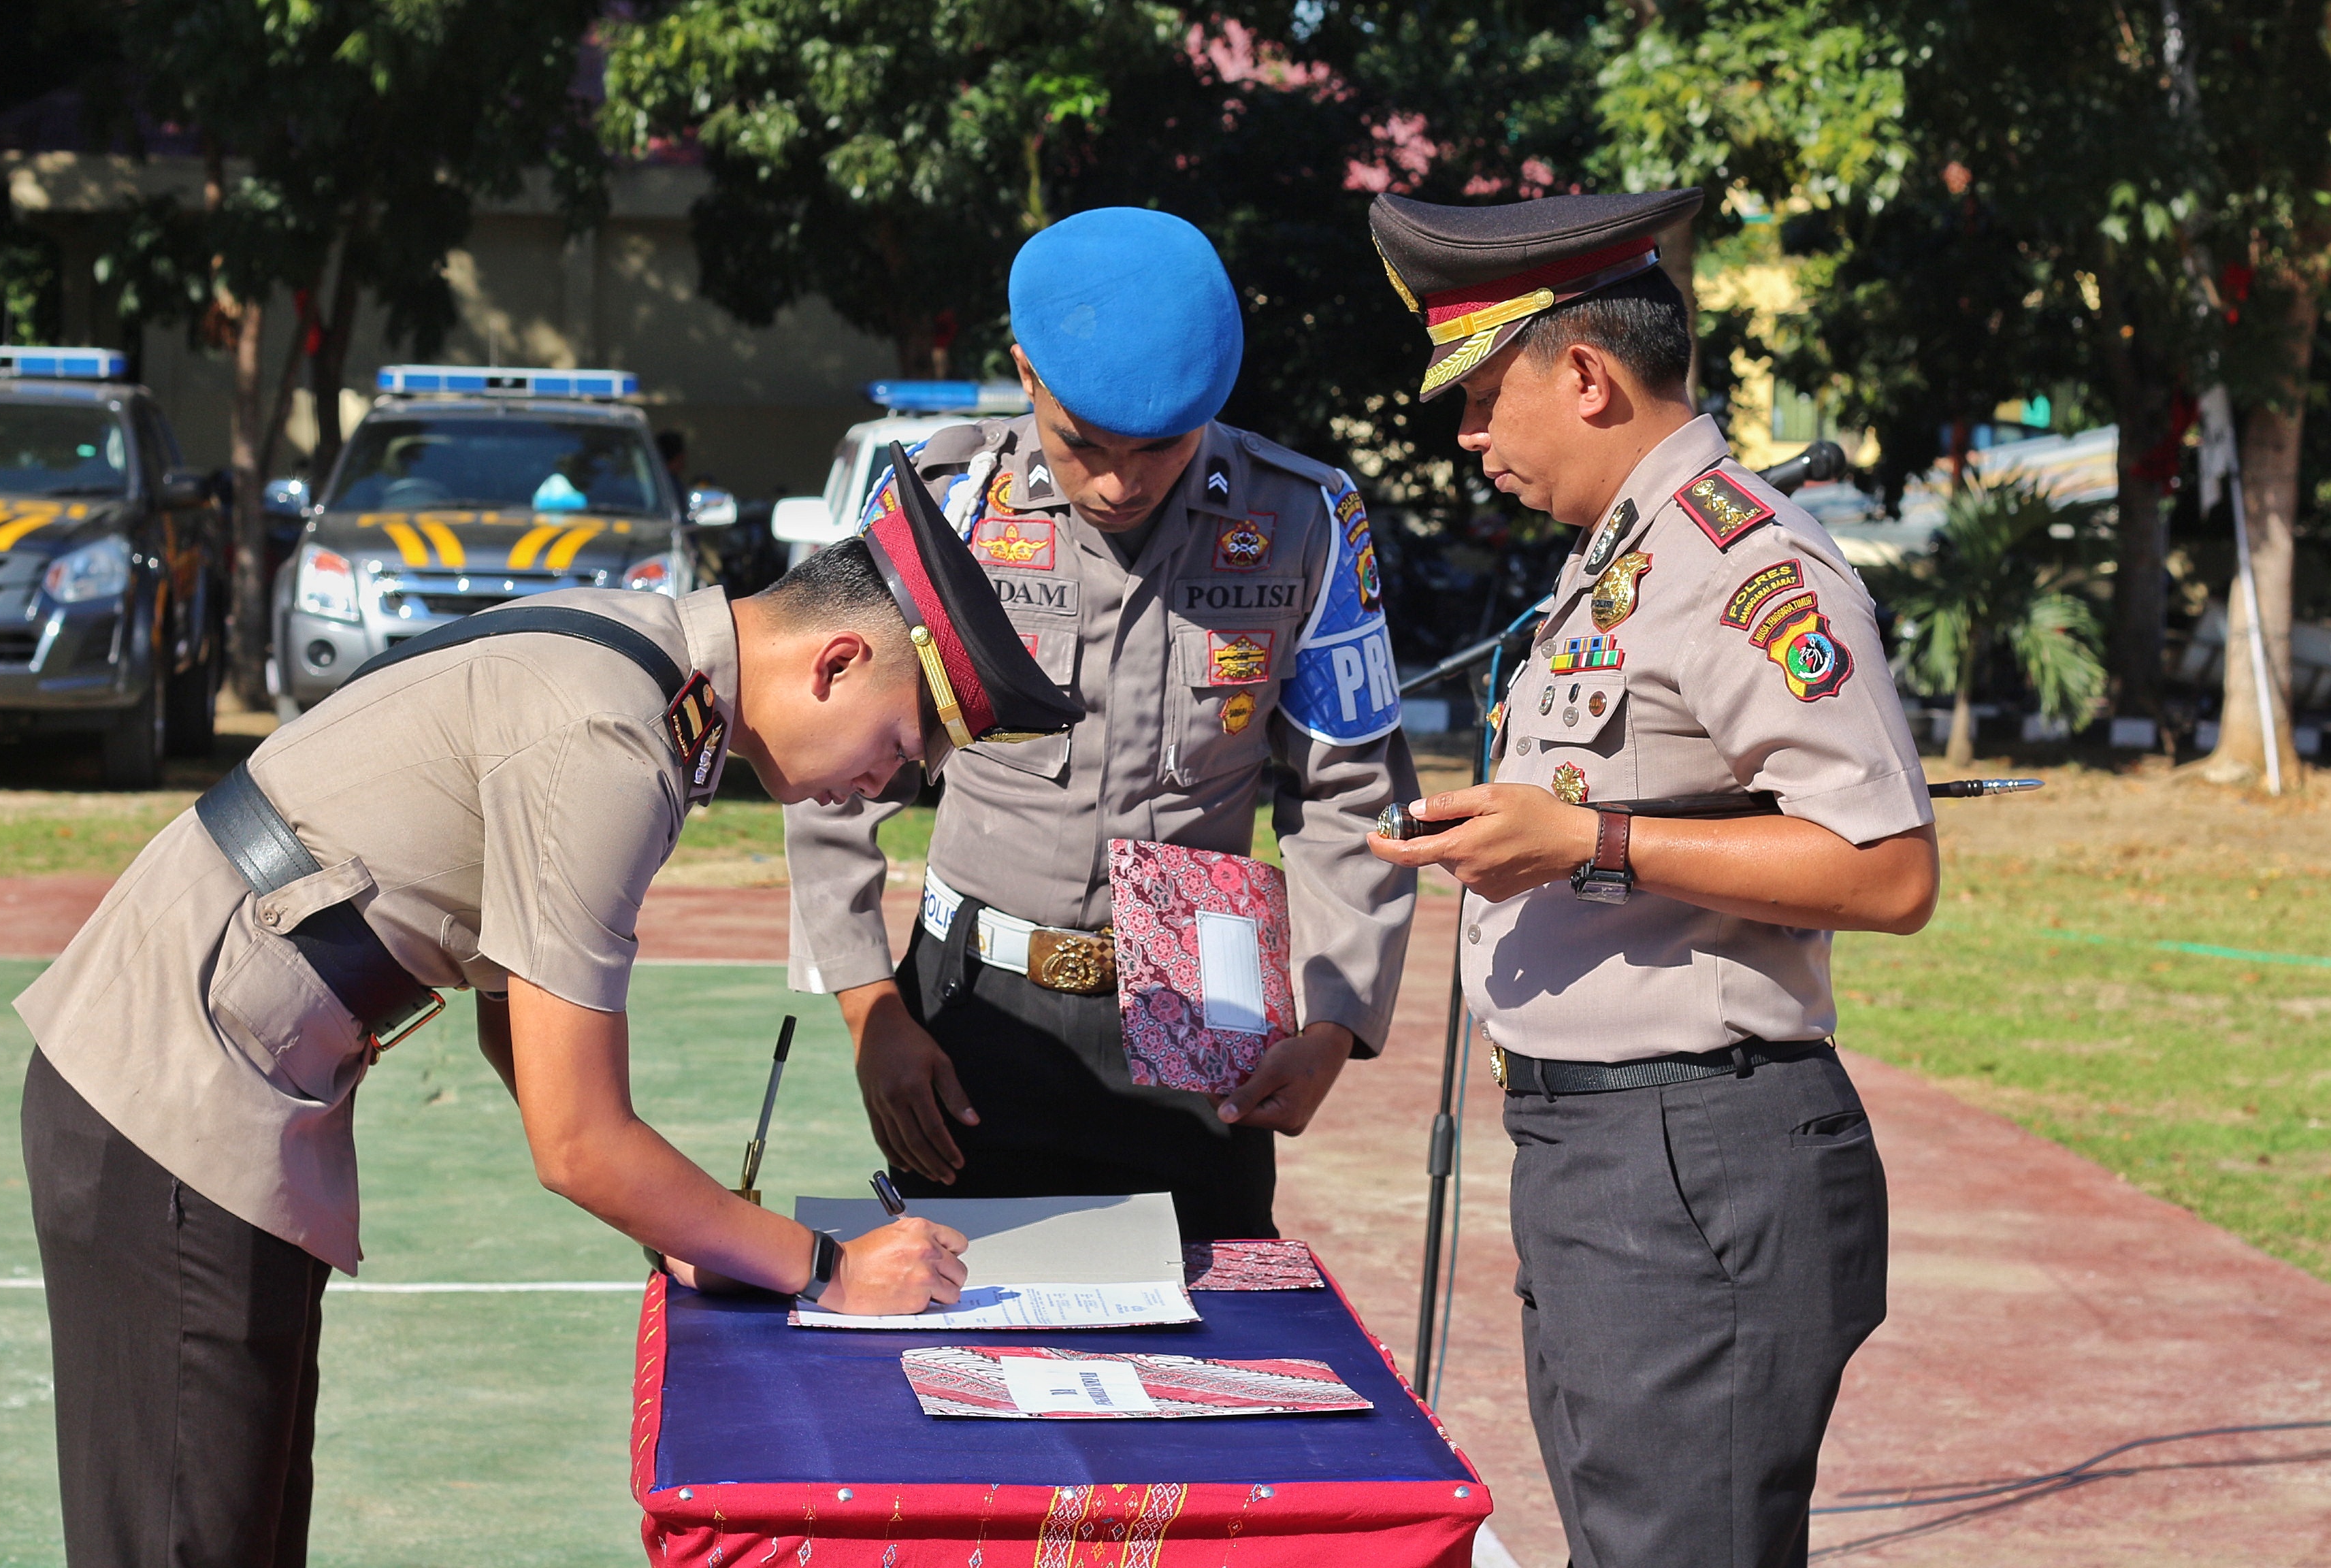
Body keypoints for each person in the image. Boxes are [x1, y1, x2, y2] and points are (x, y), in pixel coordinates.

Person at [16, 447, 1080, 1568]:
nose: (877, 793)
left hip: (212, 1082)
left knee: (239, 1530)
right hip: (172, 1099)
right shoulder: (614, 738)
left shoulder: (641, 664)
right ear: (838, 662)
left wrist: (701, 1232)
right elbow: (576, 1143)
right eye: (899, 754)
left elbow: (504, 1016)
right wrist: (828, 1269)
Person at [1365, 188, 1940, 1568]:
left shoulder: (1746, 563)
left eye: (1485, 395)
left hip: (1691, 1158)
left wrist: (1589, 844)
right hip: (1613, 1155)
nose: (1470, 436)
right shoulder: (1621, 560)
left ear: (1583, 374)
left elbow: (1889, 867)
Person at [785, 207, 1420, 1240]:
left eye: (1162, 447)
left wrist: (1337, 1023)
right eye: (1085, 445)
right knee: (970, 1341)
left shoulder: (1303, 524)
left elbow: (1353, 792)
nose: (1121, 483)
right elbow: (832, 769)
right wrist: (871, 1010)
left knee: (1205, 1346)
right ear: (1026, 372)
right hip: (974, 1018)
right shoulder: (948, 511)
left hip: (1204, 1015)